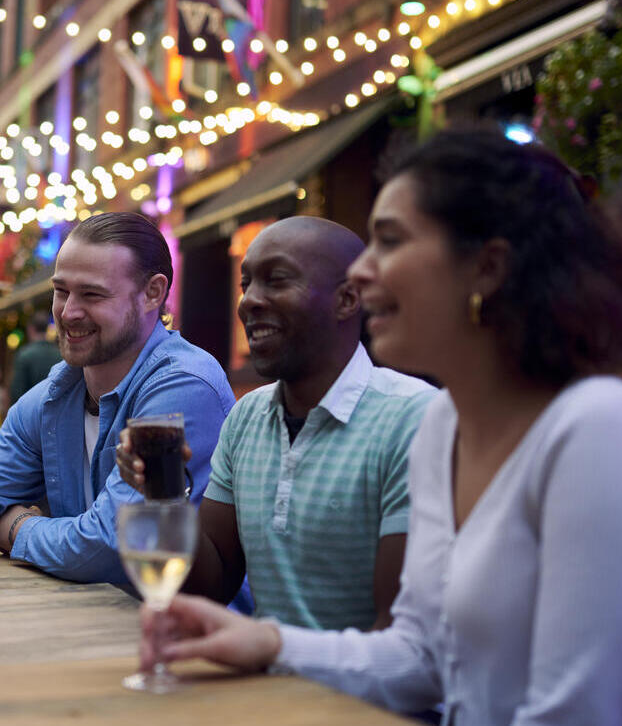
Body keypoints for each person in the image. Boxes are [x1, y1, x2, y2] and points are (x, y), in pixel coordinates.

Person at [142, 130, 622, 724]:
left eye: (390, 242)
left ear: (486, 267)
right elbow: (422, 658)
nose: (364, 273)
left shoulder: (597, 430)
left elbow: (575, 713)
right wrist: (271, 644)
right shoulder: (447, 425)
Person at [120, 217, 432, 631]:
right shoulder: (247, 418)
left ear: (347, 299)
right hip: (263, 683)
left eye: (277, 280)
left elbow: (401, 636)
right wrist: (163, 490)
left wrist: (272, 652)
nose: (249, 301)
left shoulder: (413, 418)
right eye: (246, 284)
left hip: (362, 695)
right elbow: (211, 585)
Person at [0, 212, 235, 582]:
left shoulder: (182, 386)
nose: (68, 312)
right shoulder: (49, 399)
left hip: (189, 630)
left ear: (152, 293)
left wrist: (18, 528)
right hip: (94, 623)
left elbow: (109, 548)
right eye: (61, 291)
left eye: (92, 294)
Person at [8, 311, 62, 403]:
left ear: (31, 329)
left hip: (29, 411)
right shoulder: (59, 354)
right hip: (56, 411)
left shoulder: (24, 355)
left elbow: (16, 392)